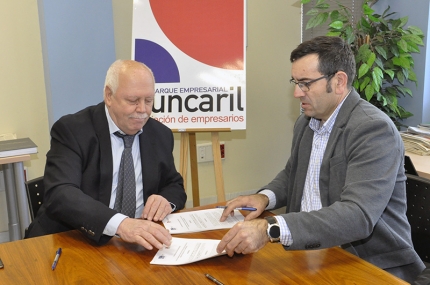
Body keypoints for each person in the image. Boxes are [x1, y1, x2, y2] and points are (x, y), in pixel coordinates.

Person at [216, 36, 425, 283]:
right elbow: (293, 173)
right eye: (295, 82)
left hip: (366, 263)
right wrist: (264, 197)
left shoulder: (372, 130)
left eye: (305, 83)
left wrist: (271, 227)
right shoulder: (306, 123)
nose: (296, 93)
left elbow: (357, 215)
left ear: (338, 82)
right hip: (309, 253)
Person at [25, 60, 187, 250]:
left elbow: (174, 184)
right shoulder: (73, 130)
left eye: (149, 101)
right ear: (109, 96)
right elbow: (60, 193)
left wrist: (165, 200)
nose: (143, 110)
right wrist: (121, 224)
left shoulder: (160, 134)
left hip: (135, 245)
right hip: (72, 240)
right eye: (133, 101)